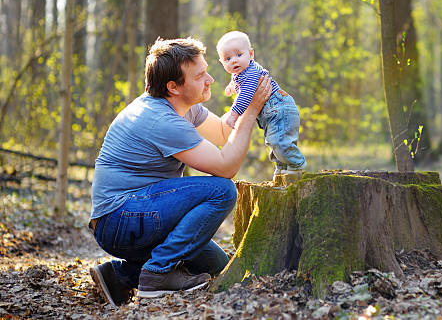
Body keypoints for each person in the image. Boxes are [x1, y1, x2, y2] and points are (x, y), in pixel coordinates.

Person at [88, 37, 272, 306]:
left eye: (206, 70)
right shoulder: (161, 120)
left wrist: (245, 107)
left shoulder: (183, 106)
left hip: (135, 215)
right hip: (120, 218)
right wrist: (252, 107)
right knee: (221, 191)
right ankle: (157, 273)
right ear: (173, 86)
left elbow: (223, 133)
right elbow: (226, 166)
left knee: (217, 267)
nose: (210, 79)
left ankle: (120, 275)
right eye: (199, 76)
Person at [216, 31, 306, 179]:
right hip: (273, 112)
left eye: (239, 55)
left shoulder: (251, 73)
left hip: (280, 109)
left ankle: (297, 164)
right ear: (222, 62)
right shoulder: (241, 72)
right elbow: (238, 82)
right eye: (228, 58)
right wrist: (232, 85)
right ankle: (283, 167)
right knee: (272, 141)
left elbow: (245, 96)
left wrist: (233, 114)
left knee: (278, 140)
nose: (233, 61)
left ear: (251, 54)